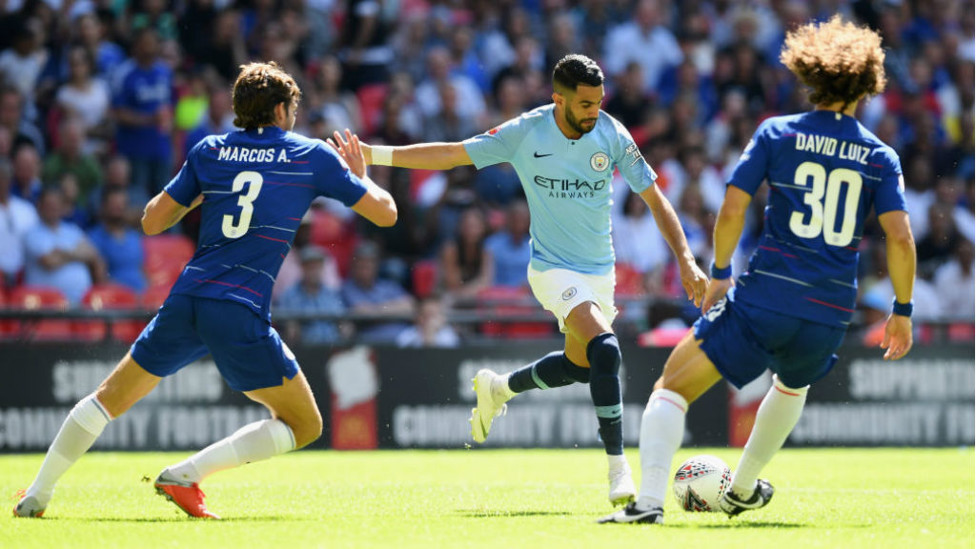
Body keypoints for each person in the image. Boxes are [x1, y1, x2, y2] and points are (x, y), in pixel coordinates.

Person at [14, 61, 397, 519]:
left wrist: (201, 192)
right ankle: (186, 474)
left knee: (107, 399)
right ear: (279, 111)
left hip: (189, 296)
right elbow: (386, 214)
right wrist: (362, 174)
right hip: (239, 308)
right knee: (305, 424)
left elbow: (152, 221)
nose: (293, 117)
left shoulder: (210, 149)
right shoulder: (310, 155)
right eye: (292, 109)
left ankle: (37, 494)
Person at [599, 16, 917, 525]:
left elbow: (732, 208)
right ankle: (743, 488)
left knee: (671, 387)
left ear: (810, 75)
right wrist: (902, 310)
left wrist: (721, 272)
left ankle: (648, 505)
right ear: (867, 85)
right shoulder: (880, 156)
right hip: (831, 309)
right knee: (792, 386)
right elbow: (900, 237)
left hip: (767, 296)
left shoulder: (778, 132)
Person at [357, 54, 707, 506]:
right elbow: (451, 153)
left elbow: (655, 199)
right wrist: (372, 154)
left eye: (599, 102)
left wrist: (685, 259)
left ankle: (498, 388)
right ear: (557, 99)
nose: (593, 112)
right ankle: (619, 469)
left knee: (582, 366)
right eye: (584, 104)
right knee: (607, 348)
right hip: (551, 268)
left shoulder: (612, 133)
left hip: (600, 273)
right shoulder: (526, 131)